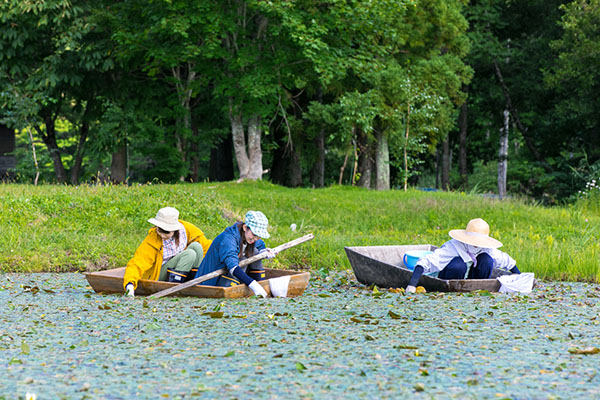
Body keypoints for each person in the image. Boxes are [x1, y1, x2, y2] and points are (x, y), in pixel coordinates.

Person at [405, 218, 520, 293]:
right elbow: (425, 263)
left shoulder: (487, 248)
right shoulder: (453, 247)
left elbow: (506, 261)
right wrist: (412, 285)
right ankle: (453, 291)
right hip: (451, 275)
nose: (476, 244)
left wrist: (520, 277)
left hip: (472, 278)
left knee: (486, 260)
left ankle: (477, 289)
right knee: (459, 264)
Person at [123, 207, 212, 297]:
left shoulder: (187, 231)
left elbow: (208, 248)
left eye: (166, 232)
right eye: (159, 230)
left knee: (197, 247)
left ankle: (193, 282)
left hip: (181, 268)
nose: (162, 235)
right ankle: (173, 288)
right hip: (159, 274)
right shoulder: (153, 239)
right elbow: (138, 262)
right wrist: (130, 285)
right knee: (190, 254)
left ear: (175, 230)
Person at [192, 210, 276, 298]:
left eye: (258, 236)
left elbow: (259, 244)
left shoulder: (248, 237)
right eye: (254, 235)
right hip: (210, 282)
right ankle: (251, 286)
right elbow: (232, 266)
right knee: (245, 258)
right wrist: (253, 284)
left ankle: (260, 286)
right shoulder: (228, 239)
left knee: (255, 251)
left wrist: (264, 251)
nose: (255, 239)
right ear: (245, 227)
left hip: (225, 277)